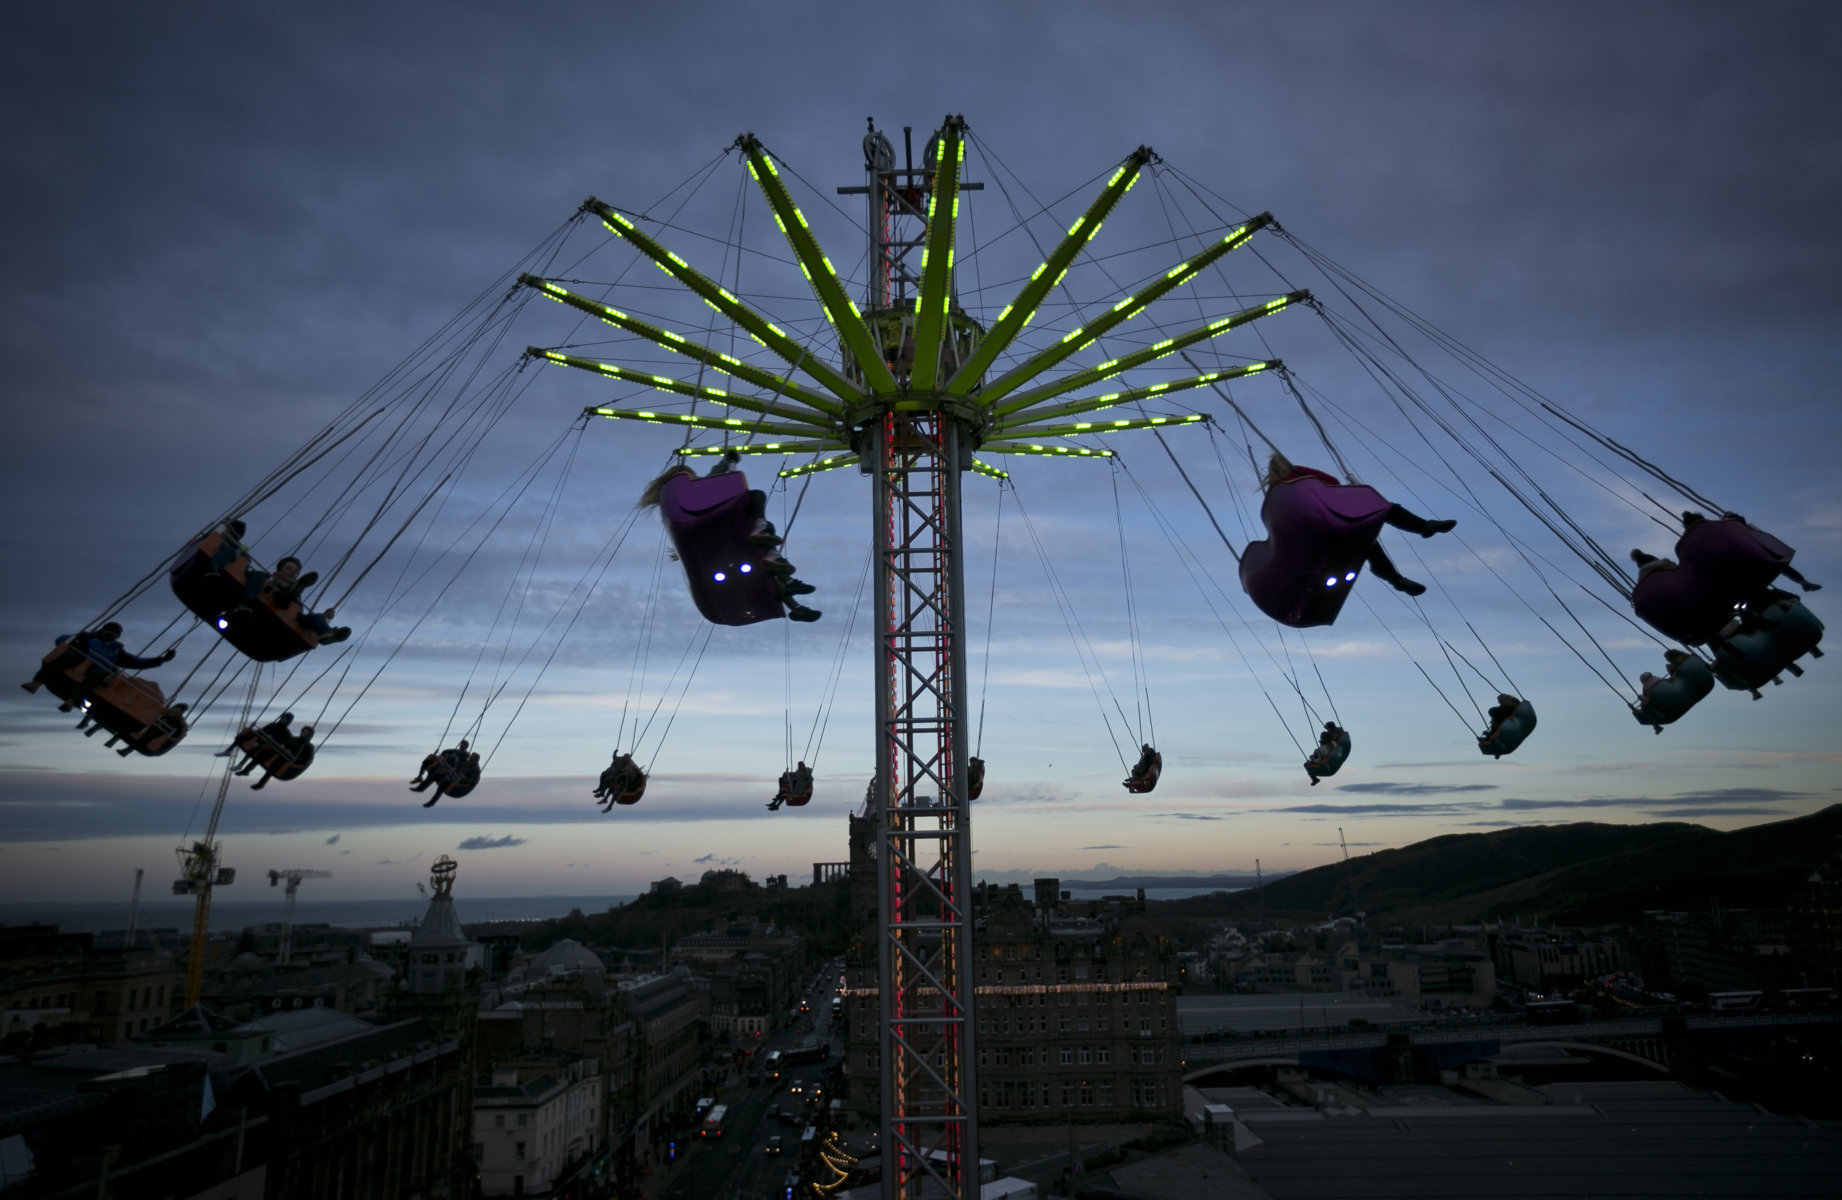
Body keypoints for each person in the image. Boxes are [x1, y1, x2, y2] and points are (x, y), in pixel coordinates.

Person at [1262, 453, 1453, 598]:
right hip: (1322, 526)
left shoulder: (1280, 487)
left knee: (1376, 516)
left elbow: (1331, 483)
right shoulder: (1284, 487)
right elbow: (1331, 482)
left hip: (1331, 519)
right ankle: (1418, 537)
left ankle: (1419, 536)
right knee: (1369, 531)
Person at [43, 623, 176, 712]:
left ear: (117, 636)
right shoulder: (89, 639)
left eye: (114, 632)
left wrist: (161, 660)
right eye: (108, 629)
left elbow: (137, 662)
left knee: (96, 675)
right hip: (75, 664)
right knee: (67, 657)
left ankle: (72, 700)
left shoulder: (116, 652)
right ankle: (37, 681)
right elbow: (61, 640)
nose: (110, 633)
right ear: (102, 630)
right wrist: (81, 638)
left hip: (95, 673)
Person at [250, 726, 312, 790]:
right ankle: (248, 769)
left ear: (309, 735)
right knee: (266, 752)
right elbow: (285, 743)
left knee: (277, 762)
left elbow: (305, 759)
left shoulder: (308, 747)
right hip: (282, 754)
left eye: (306, 733)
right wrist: (283, 746)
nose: (304, 734)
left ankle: (261, 783)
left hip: (290, 761)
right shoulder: (294, 739)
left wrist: (292, 755)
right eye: (303, 732)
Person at [225, 711, 294, 769]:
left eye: (285, 719)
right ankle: (228, 751)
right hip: (259, 738)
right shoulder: (272, 725)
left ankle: (241, 764)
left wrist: (272, 739)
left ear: (287, 722)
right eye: (283, 718)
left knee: (255, 747)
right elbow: (262, 730)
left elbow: (283, 742)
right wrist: (255, 729)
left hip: (267, 745)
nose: (283, 719)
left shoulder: (286, 732)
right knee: (243, 736)